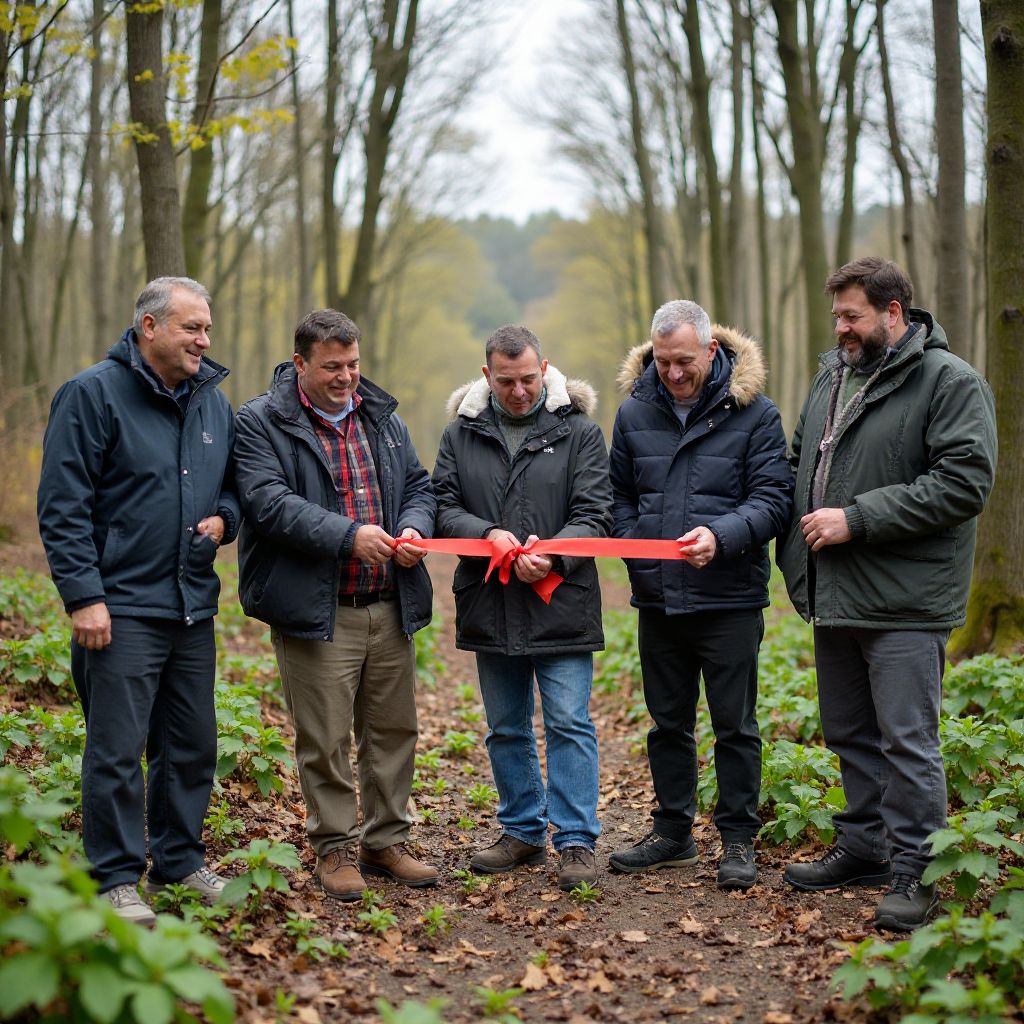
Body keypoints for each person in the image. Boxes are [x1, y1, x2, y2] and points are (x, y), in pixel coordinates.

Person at [778, 257, 997, 930]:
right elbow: (798, 459)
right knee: (849, 732)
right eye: (837, 316)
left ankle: (916, 872)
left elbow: (965, 481)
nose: (842, 329)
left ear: (894, 313)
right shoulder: (832, 376)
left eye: (854, 316)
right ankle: (866, 848)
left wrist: (859, 517)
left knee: (908, 740)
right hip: (835, 592)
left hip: (905, 597)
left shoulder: (949, 382)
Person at [37, 277, 239, 924]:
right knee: (117, 751)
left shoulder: (213, 403)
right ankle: (116, 878)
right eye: (191, 328)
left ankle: (178, 861)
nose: (204, 340)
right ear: (149, 327)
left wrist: (225, 522)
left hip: (191, 605)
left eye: (206, 328)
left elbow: (233, 490)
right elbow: (62, 508)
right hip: (118, 608)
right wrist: (83, 595)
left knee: (192, 744)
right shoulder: (90, 395)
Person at [234, 309, 437, 903]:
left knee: (393, 730)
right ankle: (335, 847)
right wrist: (350, 536)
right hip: (318, 611)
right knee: (324, 738)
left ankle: (386, 840)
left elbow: (419, 486)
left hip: (388, 602)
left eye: (352, 364)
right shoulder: (260, 422)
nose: (346, 377)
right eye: (331, 367)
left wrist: (413, 528)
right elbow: (268, 503)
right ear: (300, 364)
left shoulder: (382, 417)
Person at [608, 300, 792, 890]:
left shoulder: (756, 415)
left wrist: (722, 535)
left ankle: (738, 840)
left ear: (711, 350)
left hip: (729, 599)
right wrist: (641, 548)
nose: (674, 373)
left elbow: (772, 500)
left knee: (734, 725)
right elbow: (616, 498)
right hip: (659, 600)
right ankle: (672, 832)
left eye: (684, 360)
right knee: (667, 723)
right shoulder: (634, 413)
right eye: (662, 362)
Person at [431, 325, 612, 892]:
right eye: (505, 381)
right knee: (505, 727)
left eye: (527, 379)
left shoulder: (580, 432)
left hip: (560, 601)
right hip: (489, 600)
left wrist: (553, 556)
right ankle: (522, 830)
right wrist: (488, 535)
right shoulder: (460, 434)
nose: (517, 391)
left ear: (546, 369)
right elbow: (441, 506)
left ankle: (577, 839)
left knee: (568, 722)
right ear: (487, 375)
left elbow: (597, 512)